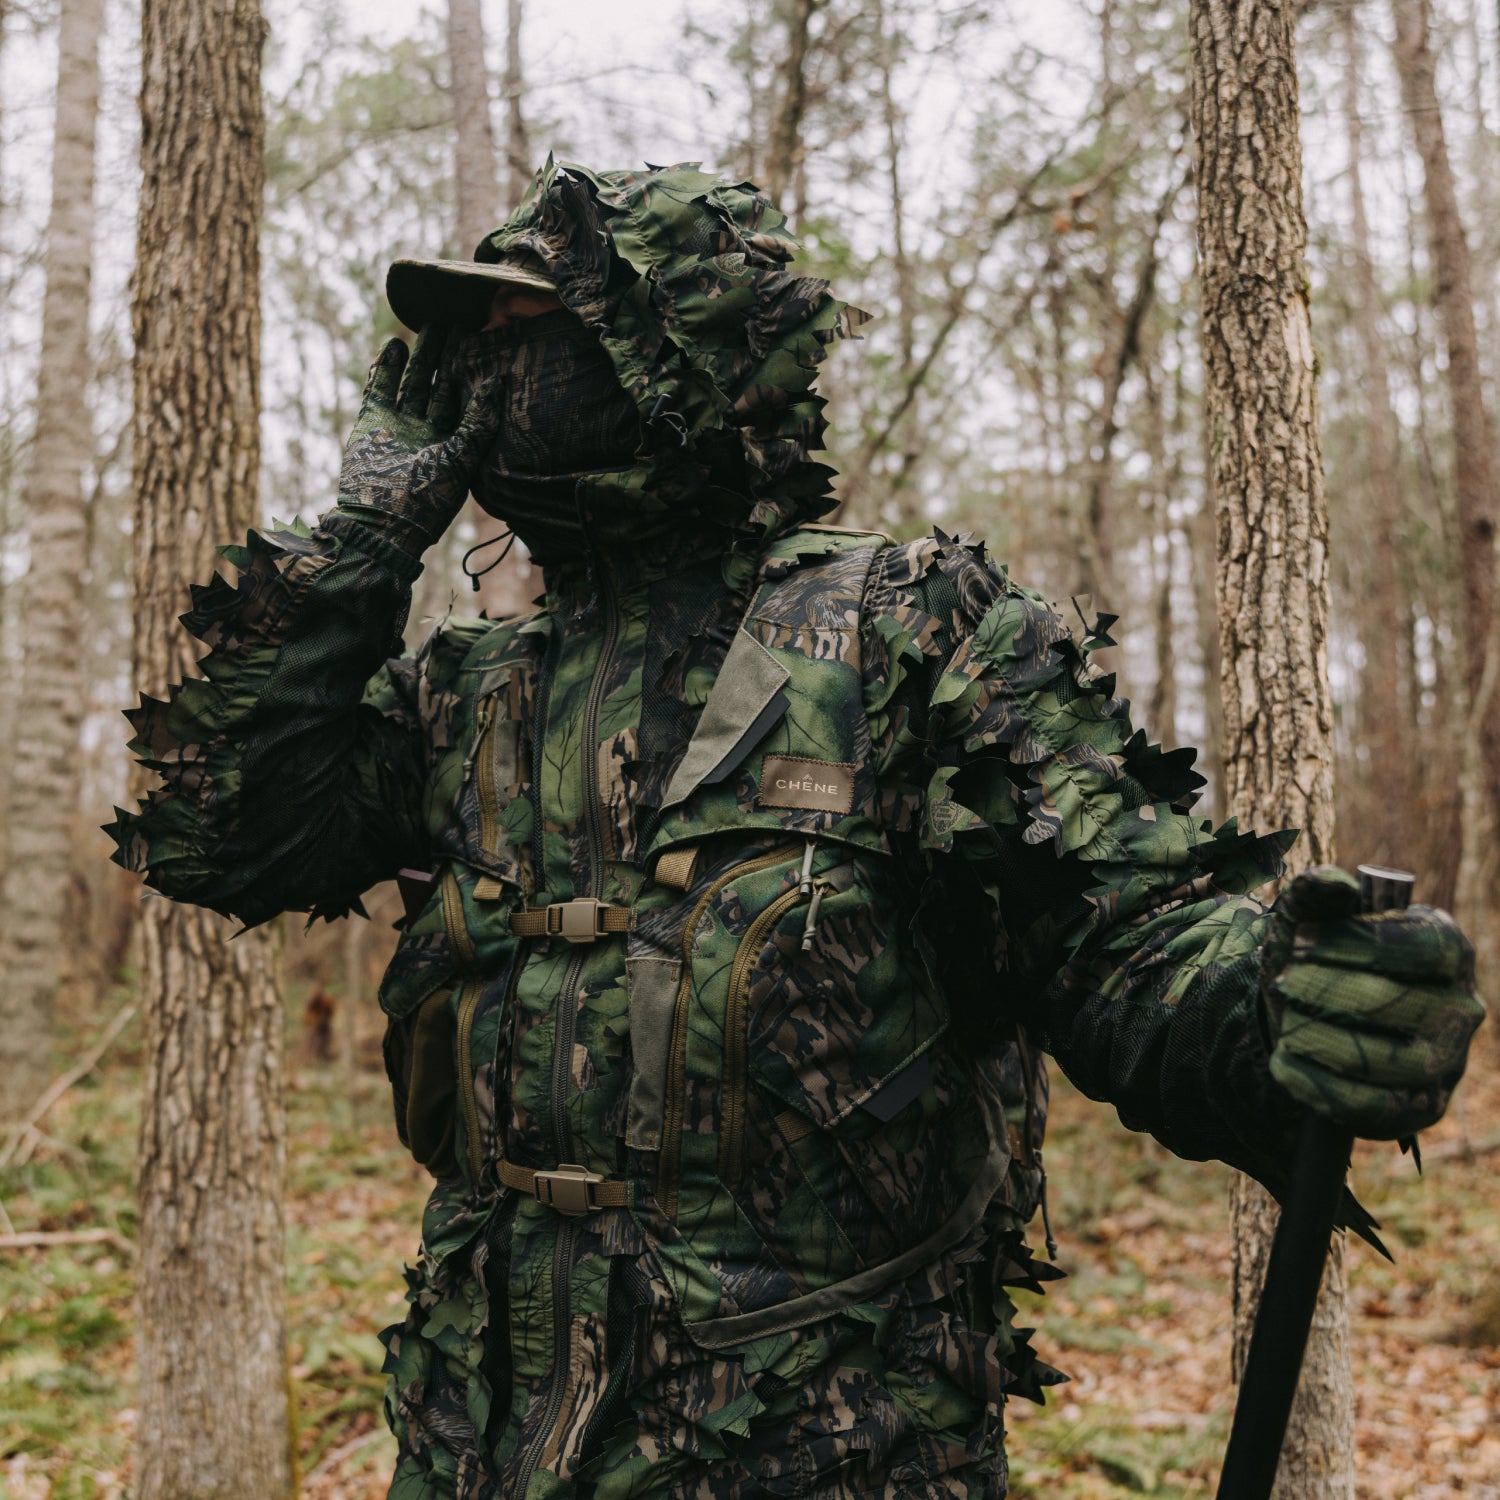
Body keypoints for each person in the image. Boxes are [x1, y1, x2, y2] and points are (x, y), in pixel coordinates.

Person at [109, 160, 1484, 1500]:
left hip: (826, 1446)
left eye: (533, 331)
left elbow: (1127, 943)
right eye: (476, 342)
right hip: (479, 1425)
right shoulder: (470, 691)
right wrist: (360, 539)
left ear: (673, 357)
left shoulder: (907, 631)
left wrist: (1273, 1002)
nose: (489, 373)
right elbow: (222, 835)